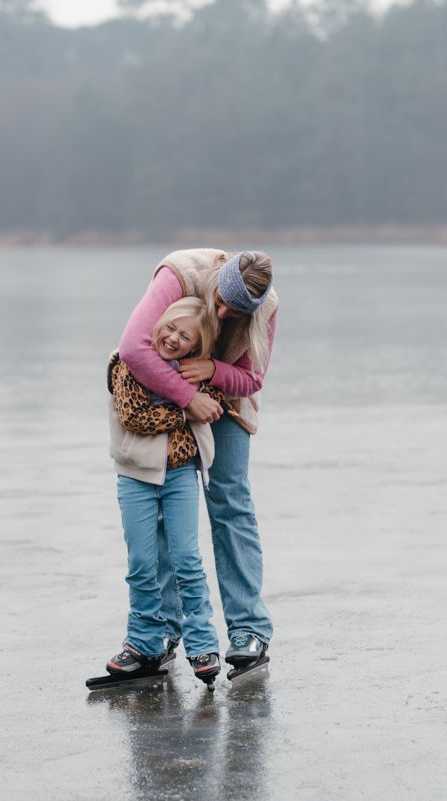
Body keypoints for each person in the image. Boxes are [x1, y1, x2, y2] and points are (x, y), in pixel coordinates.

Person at [117, 249, 278, 673]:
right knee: (163, 503)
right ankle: (162, 632)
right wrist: (188, 397)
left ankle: (249, 629)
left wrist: (211, 369)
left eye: (236, 312)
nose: (224, 315)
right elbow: (134, 347)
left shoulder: (265, 308)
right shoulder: (179, 273)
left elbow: (252, 378)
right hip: (166, 388)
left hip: (227, 399)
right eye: (221, 302)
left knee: (230, 499)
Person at [103, 296, 227, 686]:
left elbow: (216, 402)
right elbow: (135, 416)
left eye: (185, 336)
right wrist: (187, 407)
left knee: (187, 559)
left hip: (179, 476)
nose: (173, 338)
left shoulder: (191, 373)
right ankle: (142, 642)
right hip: (136, 477)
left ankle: (202, 643)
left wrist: (199, 392)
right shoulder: (126, 363)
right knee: (142, 565)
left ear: (196, 346)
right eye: (170, 327)